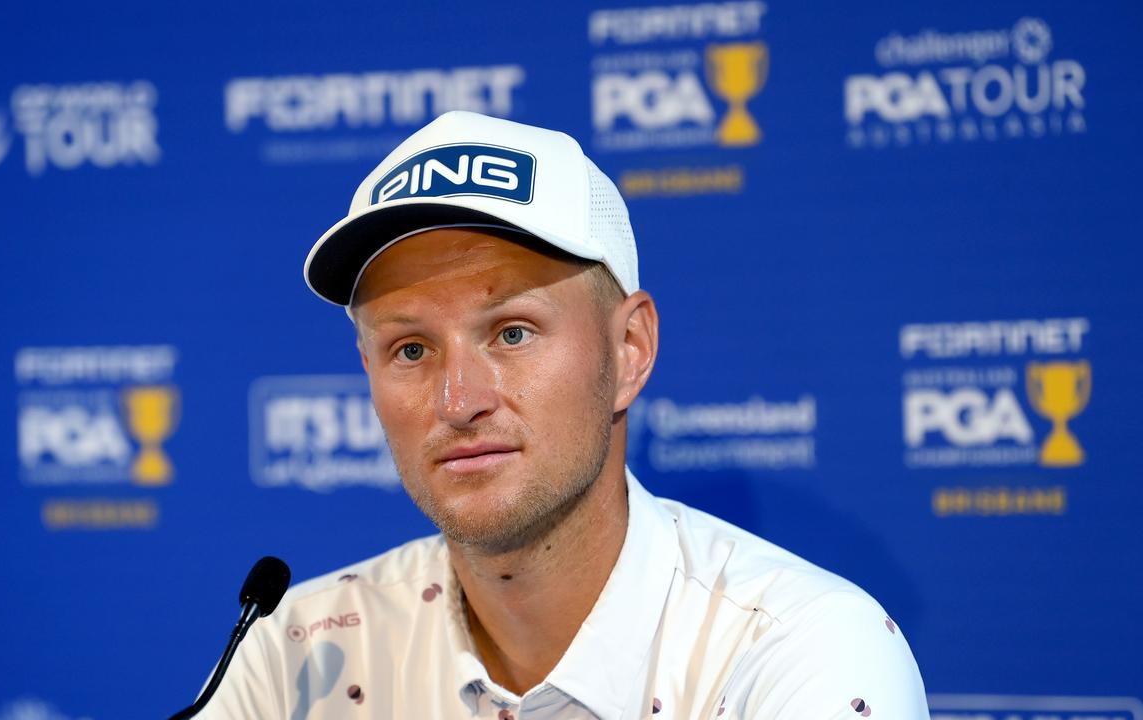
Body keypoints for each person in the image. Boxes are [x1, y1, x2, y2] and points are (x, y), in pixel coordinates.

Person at [200, 111, 929, 719]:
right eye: (412, 348)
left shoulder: (799, 653)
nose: (458, 401)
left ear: (630, 350)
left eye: (511, 332)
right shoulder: (297, 653)